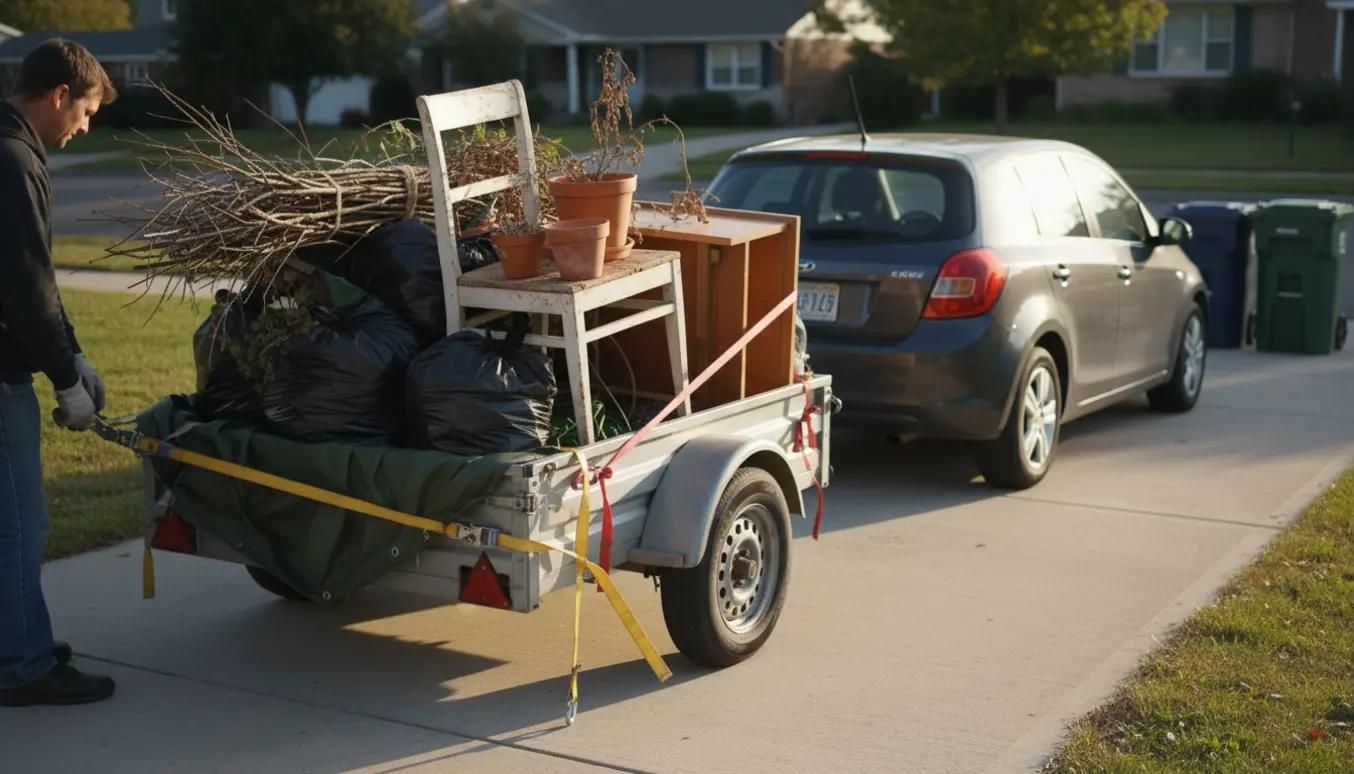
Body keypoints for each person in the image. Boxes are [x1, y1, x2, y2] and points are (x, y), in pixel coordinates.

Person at [0, 38, 117, 707]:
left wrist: (71, 355)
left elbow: (33, 281)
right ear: (58, 95)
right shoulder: (13, 160)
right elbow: (26, 289)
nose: (85, 127)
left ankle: (17, 639)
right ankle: (21, 664)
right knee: (19, 524)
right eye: (86, 112)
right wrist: (66, 381)